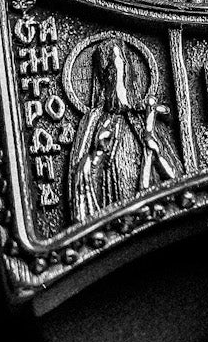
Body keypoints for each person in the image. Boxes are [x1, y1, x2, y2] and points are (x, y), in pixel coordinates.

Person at [67, 37, 180, 222]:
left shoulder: (143, 117)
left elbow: (175, 178)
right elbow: (82, 173)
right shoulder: (94, 121)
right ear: (104, 78)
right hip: (113, 204)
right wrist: (97, 155)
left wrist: (156, 149)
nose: (119, 76)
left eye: (122, 66)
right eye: (112, 70)